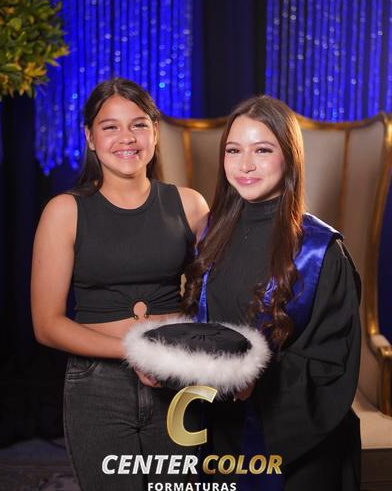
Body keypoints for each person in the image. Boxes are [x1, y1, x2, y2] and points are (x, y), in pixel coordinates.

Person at [31, 78, 209, 491]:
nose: (126, 137)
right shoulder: (64, 211)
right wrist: (136, 352)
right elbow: (46, 324)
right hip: (97, 384)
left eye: (138, 124)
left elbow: (215, 295)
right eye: (110, 126)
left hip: (176, 374)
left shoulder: (190, 204)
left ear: (155, 132)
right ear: (90, 137)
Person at [184, 95, 361, 491]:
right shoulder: (210, 235)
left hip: (295, 446)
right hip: (219, 430)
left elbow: (332, 361)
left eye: (262, 150)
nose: (244, 165)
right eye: (233, 150)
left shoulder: (320, 251)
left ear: (289, 156)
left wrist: (256, 378)